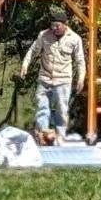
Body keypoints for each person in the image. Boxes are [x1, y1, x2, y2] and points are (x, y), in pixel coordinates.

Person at [19, 14, 86, 145]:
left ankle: (60, 136)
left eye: (58, 26)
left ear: (65, 24)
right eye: (52, 25)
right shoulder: (44, 35)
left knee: (62, 109)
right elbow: (33, 50)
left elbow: (80, 60)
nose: (54, 28)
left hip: (63, 80)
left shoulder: (75, 39)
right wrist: (25, 64)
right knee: (42, 107)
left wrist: (81, 78)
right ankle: (43, 135)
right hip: (45, 78)